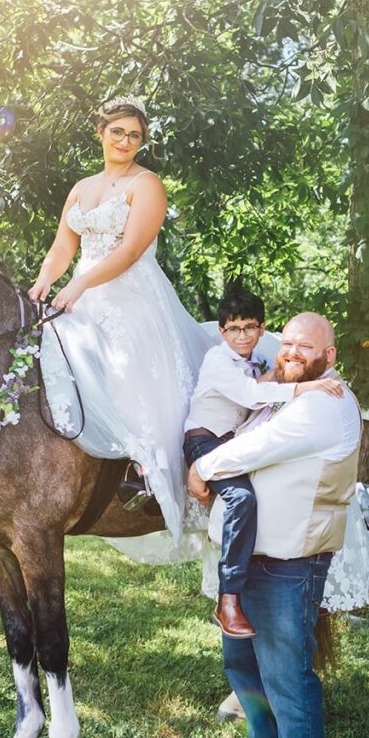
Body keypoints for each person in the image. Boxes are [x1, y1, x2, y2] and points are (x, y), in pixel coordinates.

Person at [187, 313, 361, 738]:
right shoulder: (276, 398)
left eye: (304, 347)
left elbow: (255, 451)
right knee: (244, 670)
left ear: (329, 357)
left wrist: (202, 466)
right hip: (244, 567)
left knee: (287, 673)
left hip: (291, 561)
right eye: (285, 343)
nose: (290, 352)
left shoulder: (330, 402)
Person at [30, 95, 216, 543]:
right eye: (118, 132)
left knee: (125, 365)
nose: (126, 141)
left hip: (133, 297)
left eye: (135, 135)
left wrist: (79, 285)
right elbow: (62, 249)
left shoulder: (146, 183)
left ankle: (146, 476)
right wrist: (42, 283)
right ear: (101, 132)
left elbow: (131, 250)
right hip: (83, 295)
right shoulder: (82, 187)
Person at [184, 287, 343, 638]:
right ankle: (228, 600)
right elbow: (250, 394)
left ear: (261, 329)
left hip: (229, 441)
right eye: (234, 329)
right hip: (204, 442)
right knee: (242, 499)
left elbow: (264, 384)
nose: (242, 336)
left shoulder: (257, 363)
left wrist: (297, 378)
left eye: (249, 327)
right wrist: (305, 389)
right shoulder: (217, 360)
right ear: (222, 332)